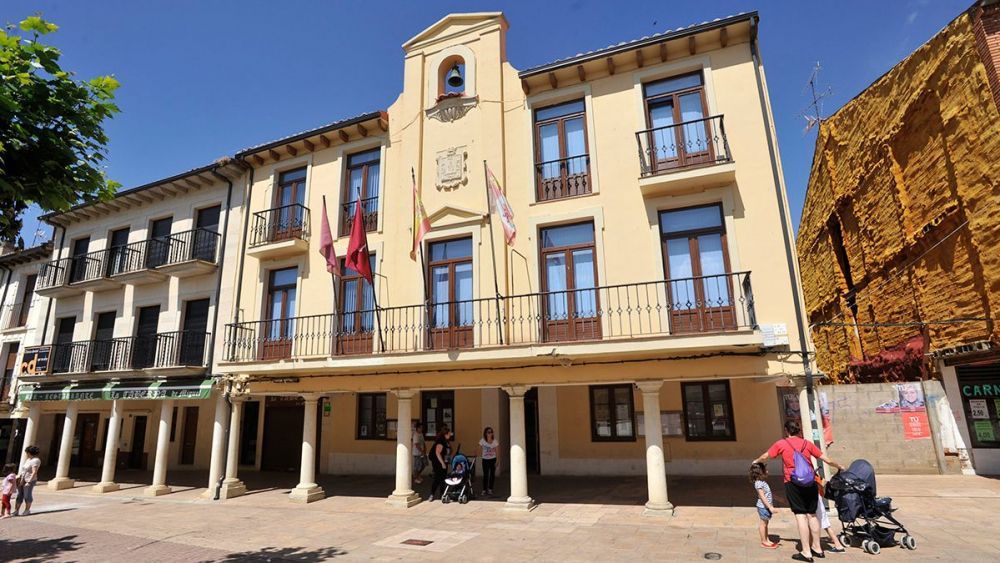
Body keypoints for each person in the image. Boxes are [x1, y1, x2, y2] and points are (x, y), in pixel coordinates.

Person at [754, 420, 844, 562]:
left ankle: (806, 551)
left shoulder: (782, 443)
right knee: (812, 515)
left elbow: (766, 456)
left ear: (786, 431)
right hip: (811, 482)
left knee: (800, 515)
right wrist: (839, 466)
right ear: (798, 430)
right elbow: (825, 458)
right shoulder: (807, 443)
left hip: (793, 483)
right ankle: (818, 548)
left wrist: (755, 461)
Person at [750, 462, 779, 549]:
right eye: (765, 470)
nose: (767, 471)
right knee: (763, 524)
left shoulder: (762, 482)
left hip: (765, 507)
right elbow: (762, 496)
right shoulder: (759, 483)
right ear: (760, 472)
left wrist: (778, 498)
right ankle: (763, 541)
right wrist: (770, 507)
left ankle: (767, 539)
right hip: (763, 507)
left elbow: (767, 494)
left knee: (766, 523)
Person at [815, 475, 846, 553]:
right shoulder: (813, 474)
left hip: (814, 500)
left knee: (813, 524)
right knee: (825, 524)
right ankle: (837, 544)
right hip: (817, 499)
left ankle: (814, 547)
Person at [427, 425, 452, 502]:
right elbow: (437, 453)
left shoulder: (446, 442)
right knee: (437, 478)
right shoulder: (440, 442)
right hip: (438, 463)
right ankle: (432, 494)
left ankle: (442, 494)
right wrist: (442, 463)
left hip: (444, 462)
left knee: (443, 478)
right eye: (449, 433)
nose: (450, 435)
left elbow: (448, 450)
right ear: (445, 434)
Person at [14, 445, 41, 517]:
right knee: (20, 495)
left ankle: (27, 510)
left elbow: (34, 472)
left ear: (30, 452)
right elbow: (24, 470)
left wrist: (29, 481)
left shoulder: (36, 460)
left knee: (27, 495)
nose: (26, 454)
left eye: (27, 452)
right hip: (22, 479)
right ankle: (16, 510)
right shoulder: (28, 460)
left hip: (29, 480)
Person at [478, 427, 499, 496]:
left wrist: (497, 460)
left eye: (491, 432)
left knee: (492, 475)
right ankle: (484, 490)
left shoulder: (495, 441)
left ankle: (490, 489)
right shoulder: (482, 441)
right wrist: (476, 454)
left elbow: (497, 451)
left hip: (493, 459)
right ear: (485, 433)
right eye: (488, 432)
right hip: (485, 459)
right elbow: (479, 449)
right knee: (485, 475)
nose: (490, 434)